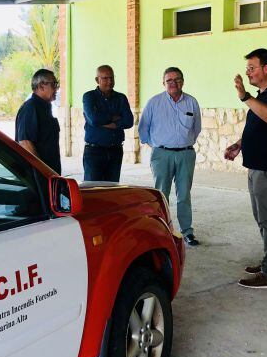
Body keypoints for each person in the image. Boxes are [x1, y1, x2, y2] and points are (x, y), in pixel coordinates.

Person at [224, 48, 267, 289]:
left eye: (252, 68)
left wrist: (245, 97)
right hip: (257, 166)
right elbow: (260, 126)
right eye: (247, 69)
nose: (249, 73)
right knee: (262, 218)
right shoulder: (262, 94)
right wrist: (239, 145)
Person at [138, 67, 202, 246]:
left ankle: (187, 232)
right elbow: (143, 128)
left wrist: (184, 143)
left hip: (185, 155)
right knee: (161, 194)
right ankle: (161, 230)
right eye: (169, 80)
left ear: (183, 81)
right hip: (162, 155)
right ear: (163, 83)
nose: (173, 83)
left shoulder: (191, 102)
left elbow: (196, 128)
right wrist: (156, 145)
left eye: (177, 79)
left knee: (184, 195)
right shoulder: (154, 102)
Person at [82, 65, 134, 182]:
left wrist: (106, 123)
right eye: (105, 78)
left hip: (115, 151)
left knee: (111, 189)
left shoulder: (121, 98)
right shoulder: (89, 97)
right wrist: (114, 117)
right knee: (92, 189)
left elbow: (129, 121)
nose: (109, 81)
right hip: (94, 152)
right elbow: (94, 120)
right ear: (97, 80)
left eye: (111, 78)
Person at [15, 68, 61, 174]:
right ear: (41, 86)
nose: (56, 88)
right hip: (38, 175)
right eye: (53, 84)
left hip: (50, 172)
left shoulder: (45, 107)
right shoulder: (31, 107)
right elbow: (25, 142)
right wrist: (43, 170)